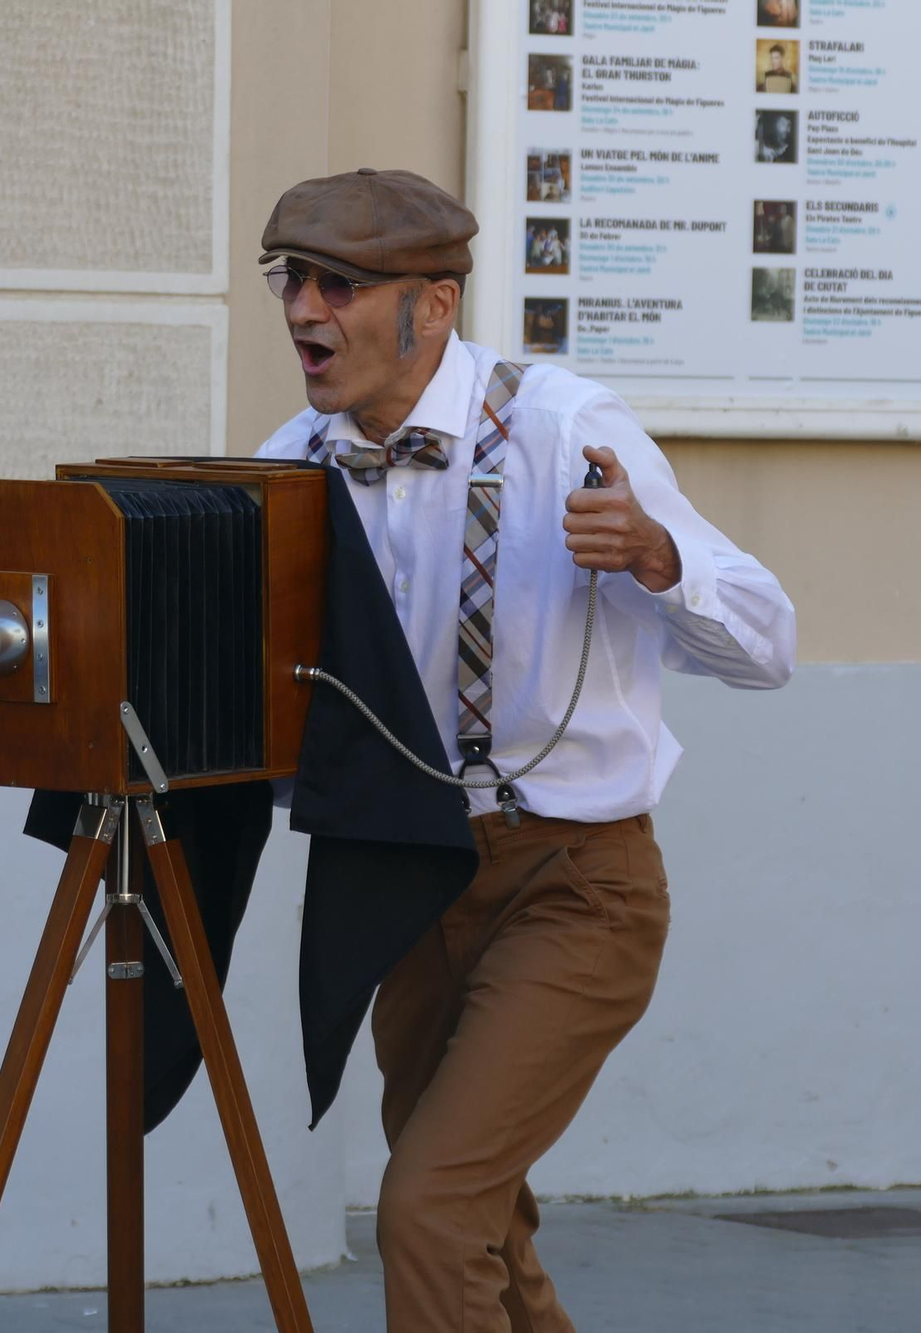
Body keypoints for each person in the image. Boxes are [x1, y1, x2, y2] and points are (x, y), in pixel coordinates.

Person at [254, 168, 794, 1332]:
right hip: (403, 876)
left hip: (574, 882)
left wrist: (655, 555)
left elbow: (767, 638)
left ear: (433, 306)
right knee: (479, 1217)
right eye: (289, 278)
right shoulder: (289, 463)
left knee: (429, 1210)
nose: (303, 308)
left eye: (338, 283)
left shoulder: (559, 425)